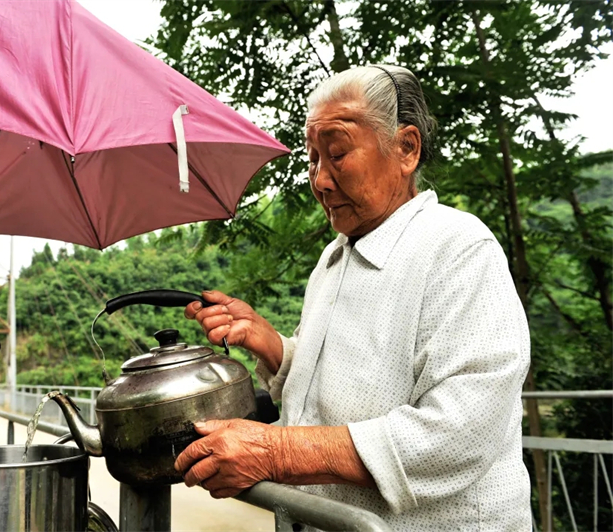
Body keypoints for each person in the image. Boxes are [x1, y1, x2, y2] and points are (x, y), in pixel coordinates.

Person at [177, 65, 532, 531]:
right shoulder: (334, 257)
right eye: (312, 159)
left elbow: (462, 432)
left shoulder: (459, 247)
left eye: (338, 153)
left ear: (406, 149)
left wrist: (275, 452)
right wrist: (275, 348)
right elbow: (334, 389)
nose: (320, 180)